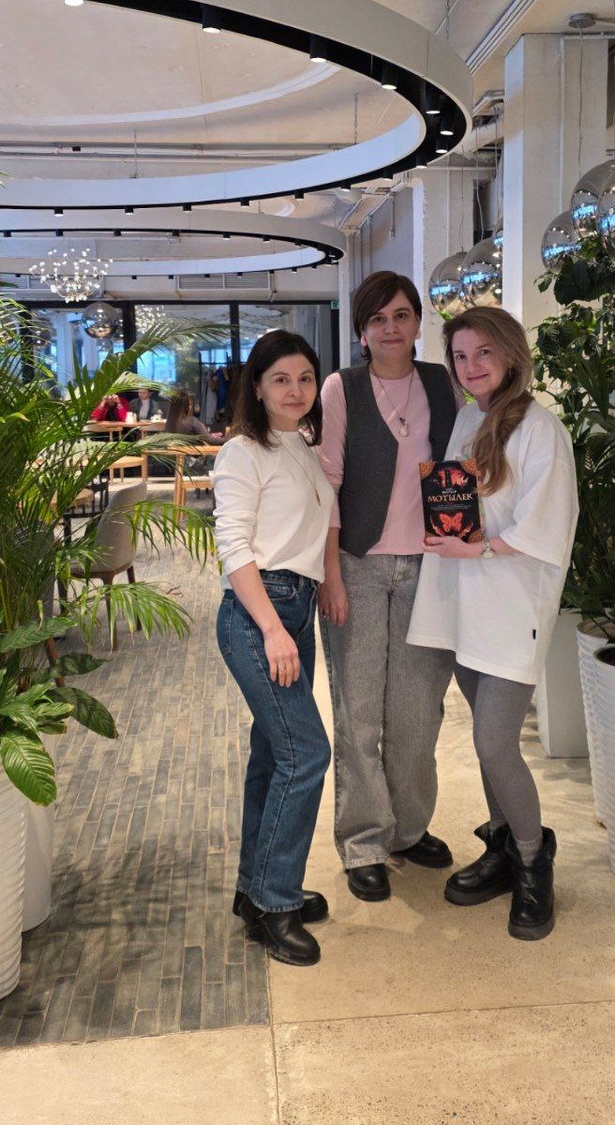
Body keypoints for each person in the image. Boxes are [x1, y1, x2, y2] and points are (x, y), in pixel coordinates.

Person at [407, 306, 578, 942]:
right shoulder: (467, 419)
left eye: (483, 353)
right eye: (460, 356)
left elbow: (545, 525)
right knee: (486, 738)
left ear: (510, 355)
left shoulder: (541, 429)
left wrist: (474, 549)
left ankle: (534, 860)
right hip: (467, 605)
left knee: (493, 742)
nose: (471, 366)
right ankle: (504, 844)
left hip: (512, 610)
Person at [318, 271, 460, 902]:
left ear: (418, 322)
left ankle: (408, 829)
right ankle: (364, 842)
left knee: (417, 712)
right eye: (377, 319)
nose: (390, 328)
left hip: (429, 568)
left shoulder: (443, 382)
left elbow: (463, 466)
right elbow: (327, 485)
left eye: (401, 315)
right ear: (361, 331)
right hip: (358, 565)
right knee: (358, 713)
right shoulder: (341, 388)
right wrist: (330, 575)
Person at [212, 331, 334, 967]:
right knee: (306, 754)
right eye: (281, 378)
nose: (296, 389)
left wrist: (324, 588)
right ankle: (276, 902)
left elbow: (317, 528)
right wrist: (272, 627)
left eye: (305, 378)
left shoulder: (302, 445)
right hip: (260, 613)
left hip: (297, 607)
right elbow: (234, 547)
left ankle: (255, 887)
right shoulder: (243, 451)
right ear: (257, 387)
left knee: (273, 753)